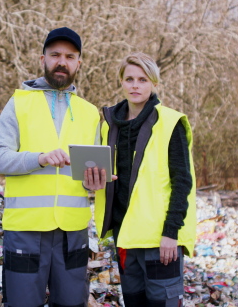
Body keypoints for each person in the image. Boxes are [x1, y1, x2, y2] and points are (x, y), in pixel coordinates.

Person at [0, 27, 107, 307]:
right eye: (55, 55)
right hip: (26, 231)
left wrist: (96, 180)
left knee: (71, 304)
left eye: (69, 56)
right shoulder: (19, 103)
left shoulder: (90, 113)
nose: (61, 61)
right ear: (43, 59)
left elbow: (89, 178)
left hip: (72, 232)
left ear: (79, 63)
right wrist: (38, 158)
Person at [86, 52, 197, 307]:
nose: (135, 85)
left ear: (154, 84)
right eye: (129, 79)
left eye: (143, 80)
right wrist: (93, 182)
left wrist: (171, 233)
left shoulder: (170, 123)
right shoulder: (108, 125)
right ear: (122, 82)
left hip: (160, 239)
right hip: (125, 236)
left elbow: (182, 182)